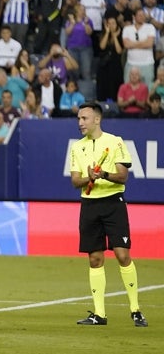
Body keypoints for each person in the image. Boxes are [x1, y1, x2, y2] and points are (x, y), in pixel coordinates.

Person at [70, 101, 148, 328]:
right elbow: (75, 181)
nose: (80, 123)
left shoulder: (115, 142)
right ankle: (99, 313)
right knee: (95, 259)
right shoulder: (77, 147)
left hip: (113, 204)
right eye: (78, 119)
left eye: (84, 118)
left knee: (123, 255)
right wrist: (89, 179)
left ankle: (135, 310)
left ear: (97, 119)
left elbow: (123, 176)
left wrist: (102, 173)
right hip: (89, 205)